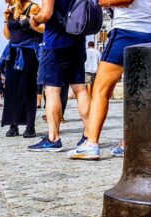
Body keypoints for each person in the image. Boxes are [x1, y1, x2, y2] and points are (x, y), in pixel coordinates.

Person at [69, 0, 151, 160]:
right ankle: (130, 144)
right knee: (140, 94)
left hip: (126, 32)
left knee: (101, 90)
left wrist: (102, 2)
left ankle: (91, 144)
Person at [28, 0, 93, 152]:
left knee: (52, 90)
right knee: (80, 89)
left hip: (56, 44)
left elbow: (46, 14)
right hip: (77, 41)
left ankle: (53, 138)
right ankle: (90, 134)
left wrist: (34, 18)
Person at [1, 0, 44, 138]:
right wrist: (6, 20)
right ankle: (13, 125)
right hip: (12, 52)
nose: (5, 1)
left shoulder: (33, 7)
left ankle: (30, 126)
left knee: (28, 88)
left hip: (28, 52)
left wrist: (31, 23)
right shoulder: (12, 10)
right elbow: (7, 36)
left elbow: (45, 28)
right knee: (12, 89)